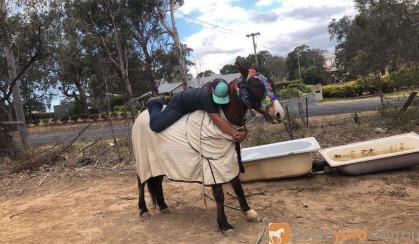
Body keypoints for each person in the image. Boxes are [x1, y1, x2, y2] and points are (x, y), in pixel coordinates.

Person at [147, 79, 246, 142]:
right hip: (180, 105)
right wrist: (234, 132)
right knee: (156, 126)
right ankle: (156, 102)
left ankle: (168, 100)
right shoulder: (206, 97)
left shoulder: (222, 86)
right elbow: (218, 121)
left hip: (190, 96)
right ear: (212, 91)